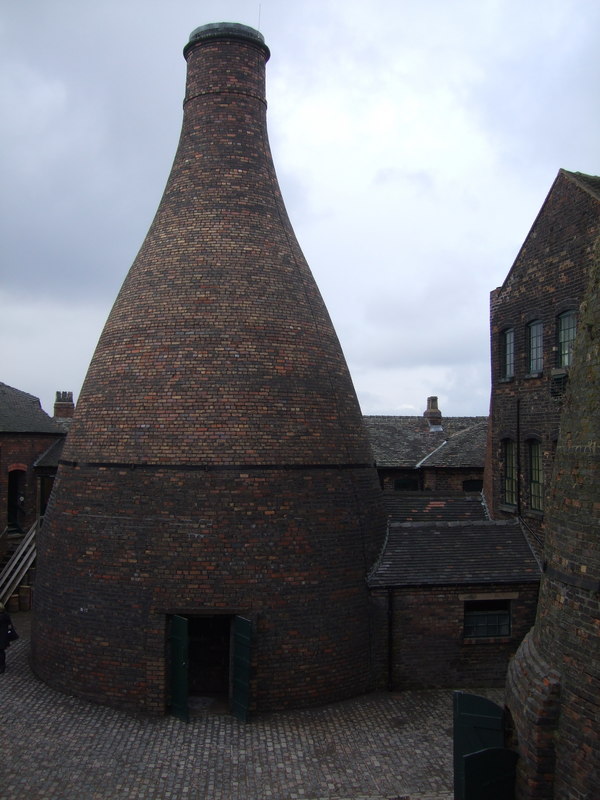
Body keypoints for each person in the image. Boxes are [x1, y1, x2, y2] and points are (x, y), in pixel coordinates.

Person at [0, 601, 17, 673]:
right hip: (3, 638)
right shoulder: (6, 615)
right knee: (1, 652)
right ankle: (2, 665)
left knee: (0, 653)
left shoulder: (1, 618)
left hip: (1, 638)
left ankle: (2, 666)